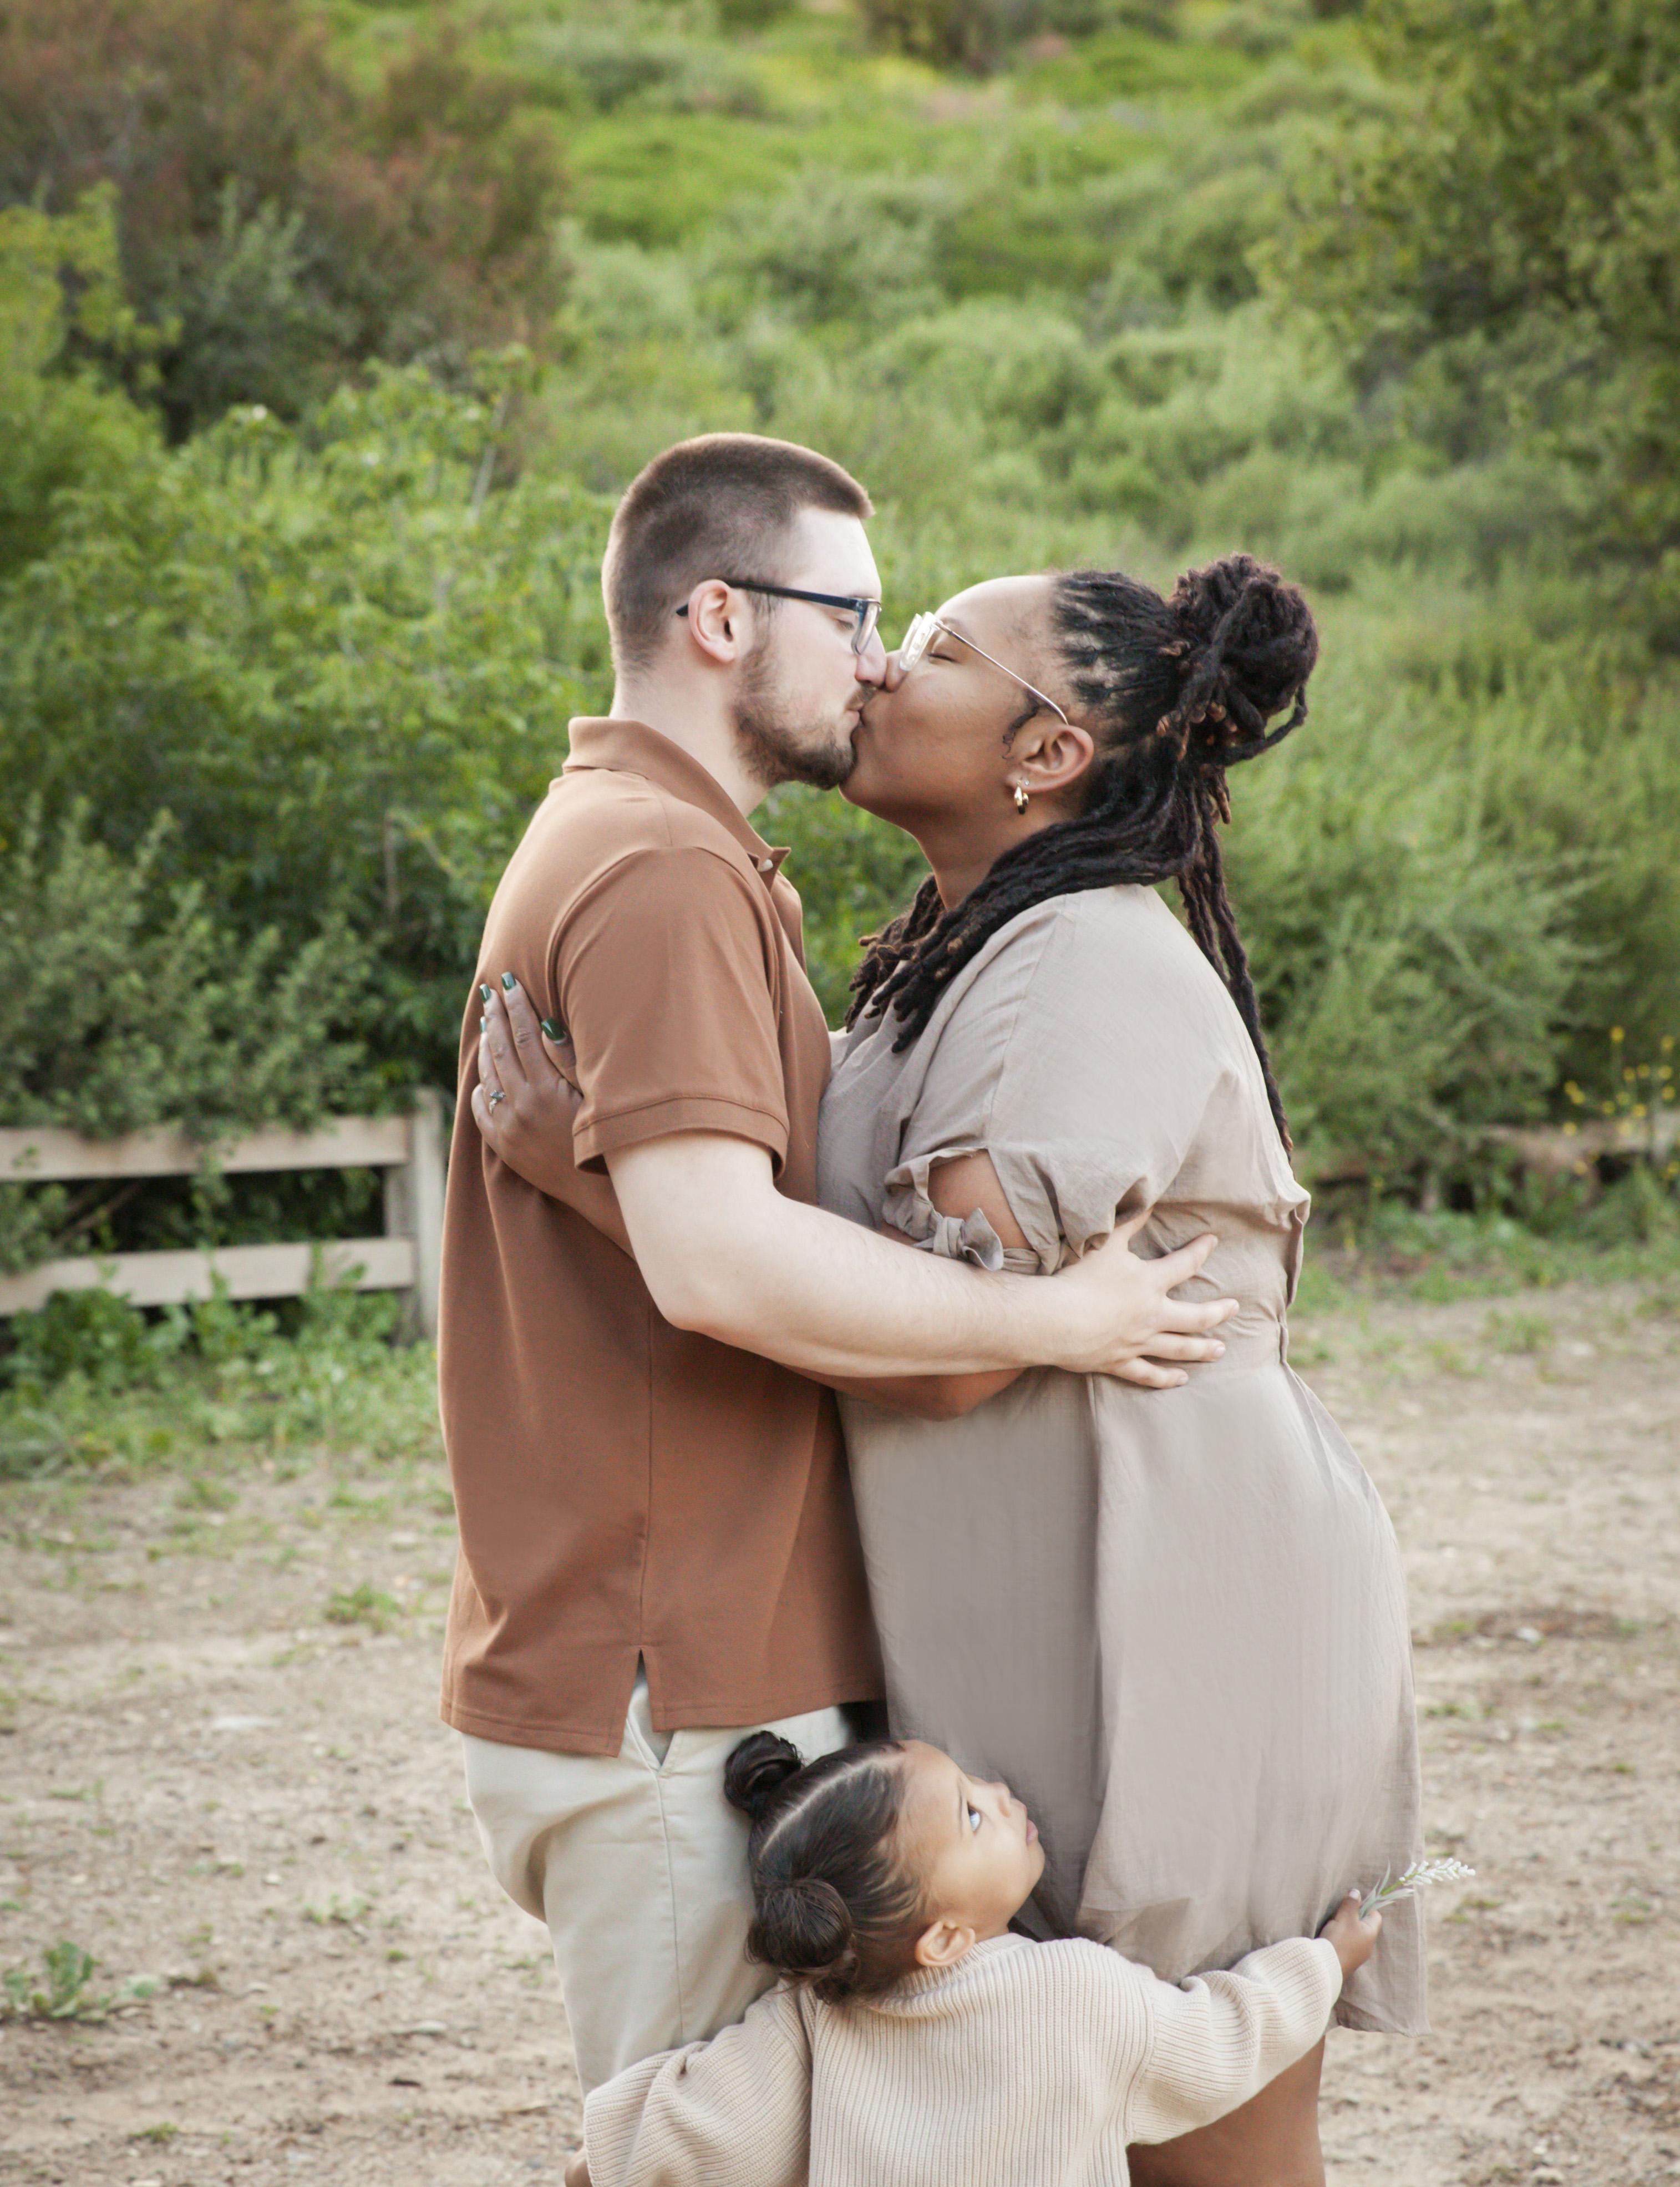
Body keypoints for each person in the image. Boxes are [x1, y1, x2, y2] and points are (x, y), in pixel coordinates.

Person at [480, 547, 1426, 2186]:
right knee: (1037, 2092)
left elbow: (940, 1358)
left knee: (1202, 2130)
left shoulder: (1079, 969)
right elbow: (839, 1262)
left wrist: (596, 1178)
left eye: (931, 646)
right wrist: (636, 1169)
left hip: (1172, 1600)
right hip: (1033, 1591)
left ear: (1044, 749)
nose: (877, 666)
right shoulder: (953, 954)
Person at [439, 433, 1237, 2097]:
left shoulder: (653, 843)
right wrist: (1056, 1315)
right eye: (856, 615)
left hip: (661, 1657)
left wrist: (585, 1177)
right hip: (681, 1677)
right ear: (722, 617)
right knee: (692, 2143)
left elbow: (710, 1235)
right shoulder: (664, 868)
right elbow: (721, 1265)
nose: (876, 661)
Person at [566, 1730, 1383, 2187]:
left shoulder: (808, 2022)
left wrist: (600, 2163)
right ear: (944, 1937)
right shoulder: (1075, 1992)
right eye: (969, 1814)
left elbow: (705, 2126)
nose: (998, 1793)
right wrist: (1323, 1963)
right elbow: (1220, 2038)